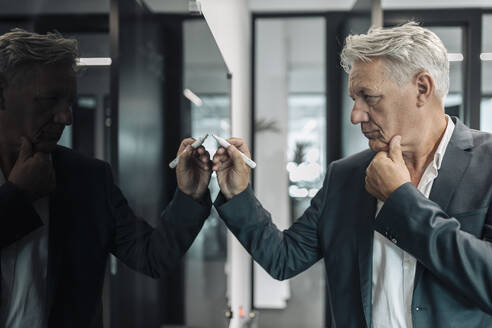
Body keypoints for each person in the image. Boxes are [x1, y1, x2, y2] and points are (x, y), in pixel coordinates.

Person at [212, 22, 492, 327]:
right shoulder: (345, 175)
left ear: (422, 89)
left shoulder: (488, 164)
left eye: (369, 97)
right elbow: (284, 258)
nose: (355, 115)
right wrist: (237, 193)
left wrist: (400, 200)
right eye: (354, 99)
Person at [0, 29, 212, 327]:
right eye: (49, 100)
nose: (66, 117)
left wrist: (190, 195)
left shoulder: (88, 178)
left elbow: (151, 257)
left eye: (69, 102)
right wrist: (18, 197)